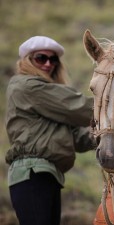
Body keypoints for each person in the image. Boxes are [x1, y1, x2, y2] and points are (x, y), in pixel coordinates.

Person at [5, 36, 97, 225]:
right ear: (27, 60)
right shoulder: (27, 86)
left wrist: (109, 133)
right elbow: (76, 106)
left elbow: (78, 137)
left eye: (53, 59)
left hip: (47, 174)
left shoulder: (48, 103)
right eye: (41, 58)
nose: (48, 64)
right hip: (33, 174)